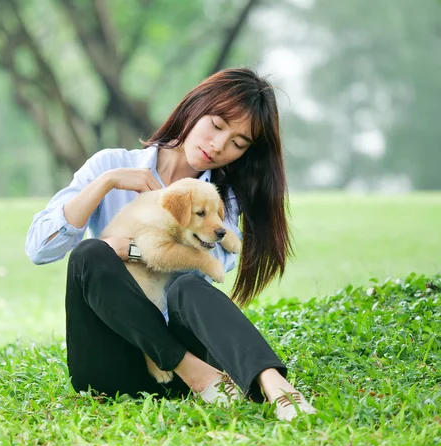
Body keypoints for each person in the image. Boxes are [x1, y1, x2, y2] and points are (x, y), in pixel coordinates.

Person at [25, 68, 316, 421]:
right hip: (108, 368)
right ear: (195, 108)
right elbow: (40, 249)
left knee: (190, 284)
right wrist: (106, 183)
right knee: (90, 254)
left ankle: (274, 383)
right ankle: (193, 371)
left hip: (182, 363)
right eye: (217, 125)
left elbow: (209, 270)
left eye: (238, 143)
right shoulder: (113, 165)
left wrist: (131, 252)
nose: (218, 146)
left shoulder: (219, 201)